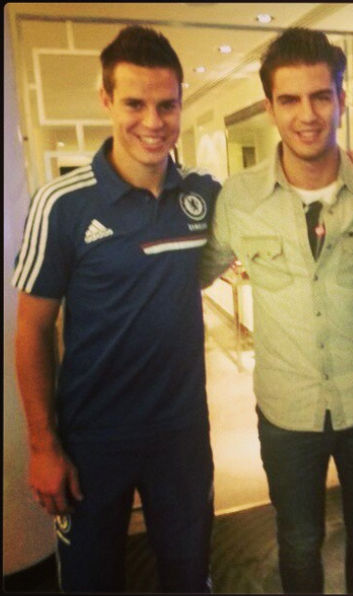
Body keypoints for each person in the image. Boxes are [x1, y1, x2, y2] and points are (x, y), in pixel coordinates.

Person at [12, 25, 220, 593]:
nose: (153, 121)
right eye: (134, 104)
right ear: (106, 99)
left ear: (181, 102)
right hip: (91, 438)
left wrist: (346, 162)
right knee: (90, 581)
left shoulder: (203, 195)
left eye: (166, 105)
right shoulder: (62, 204)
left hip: (181, 433)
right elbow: (31, 330)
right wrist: (42, 446)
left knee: (188, 576)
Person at [200, 27, 353, 594]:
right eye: (289, 99)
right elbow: (189, 275)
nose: (307, 115)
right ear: (269, 108)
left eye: (321, 96)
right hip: (286, 412)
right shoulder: (238, 200)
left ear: (343, 99)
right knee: (297, 543)